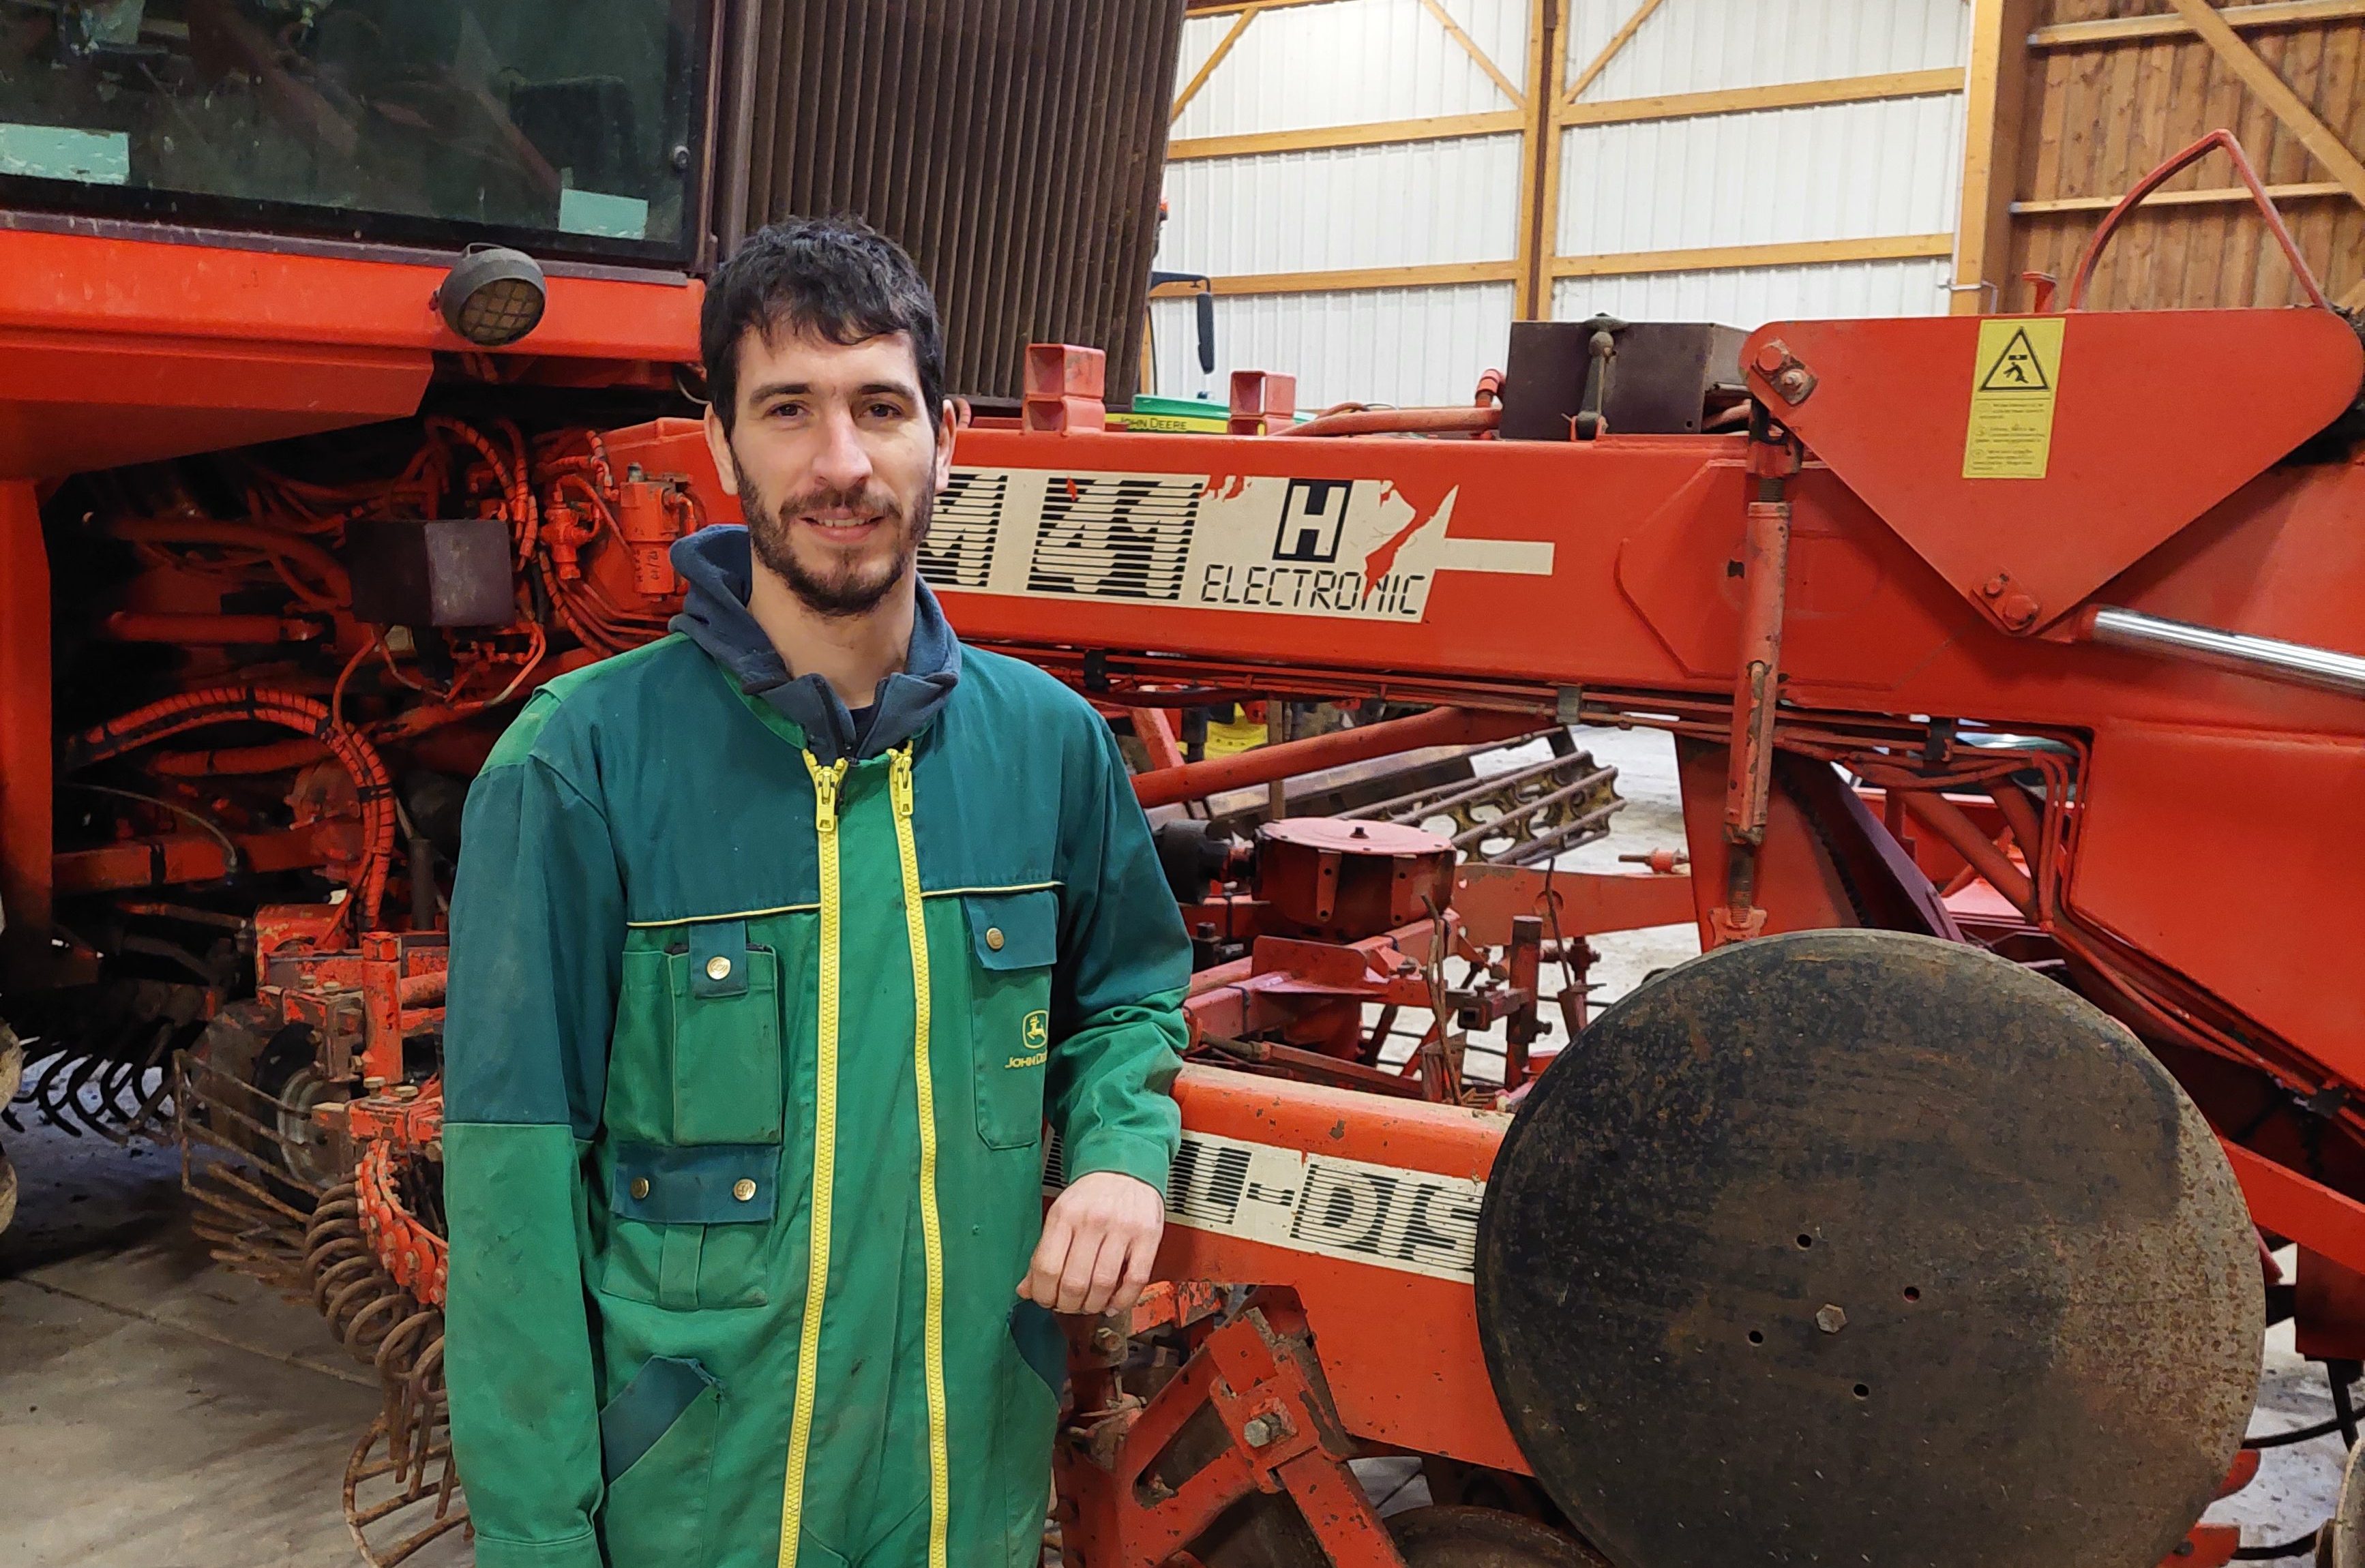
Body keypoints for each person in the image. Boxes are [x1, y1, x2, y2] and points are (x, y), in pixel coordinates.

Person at [441, 215, 1191, 1568]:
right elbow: (511, 1208)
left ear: (946, 436)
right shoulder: (581, 767)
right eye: (788, 409)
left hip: (963, 1503)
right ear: (723, 446)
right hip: (696, 1518)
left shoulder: (1050, 750)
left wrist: (1121, 1158)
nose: (840, 464)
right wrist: (538, 1546)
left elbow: (1129, 993)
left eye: (879, 407)